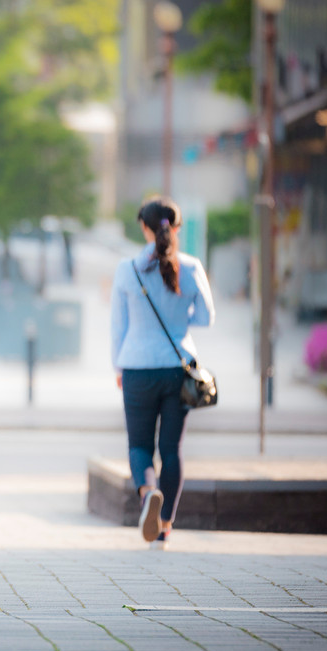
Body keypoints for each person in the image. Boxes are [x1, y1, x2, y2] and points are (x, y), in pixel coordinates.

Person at [110, 196, 215, 550]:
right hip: (177, 368)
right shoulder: (191, 266)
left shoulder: (128, 269)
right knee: (172, 448)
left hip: (137, 367)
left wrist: (118, 368)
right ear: (176, 227)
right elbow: (205, 318)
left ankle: (148, 493)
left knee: (140, 445)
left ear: (144, 226)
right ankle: (166, 524)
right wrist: (177, 320)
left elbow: (117, 327)